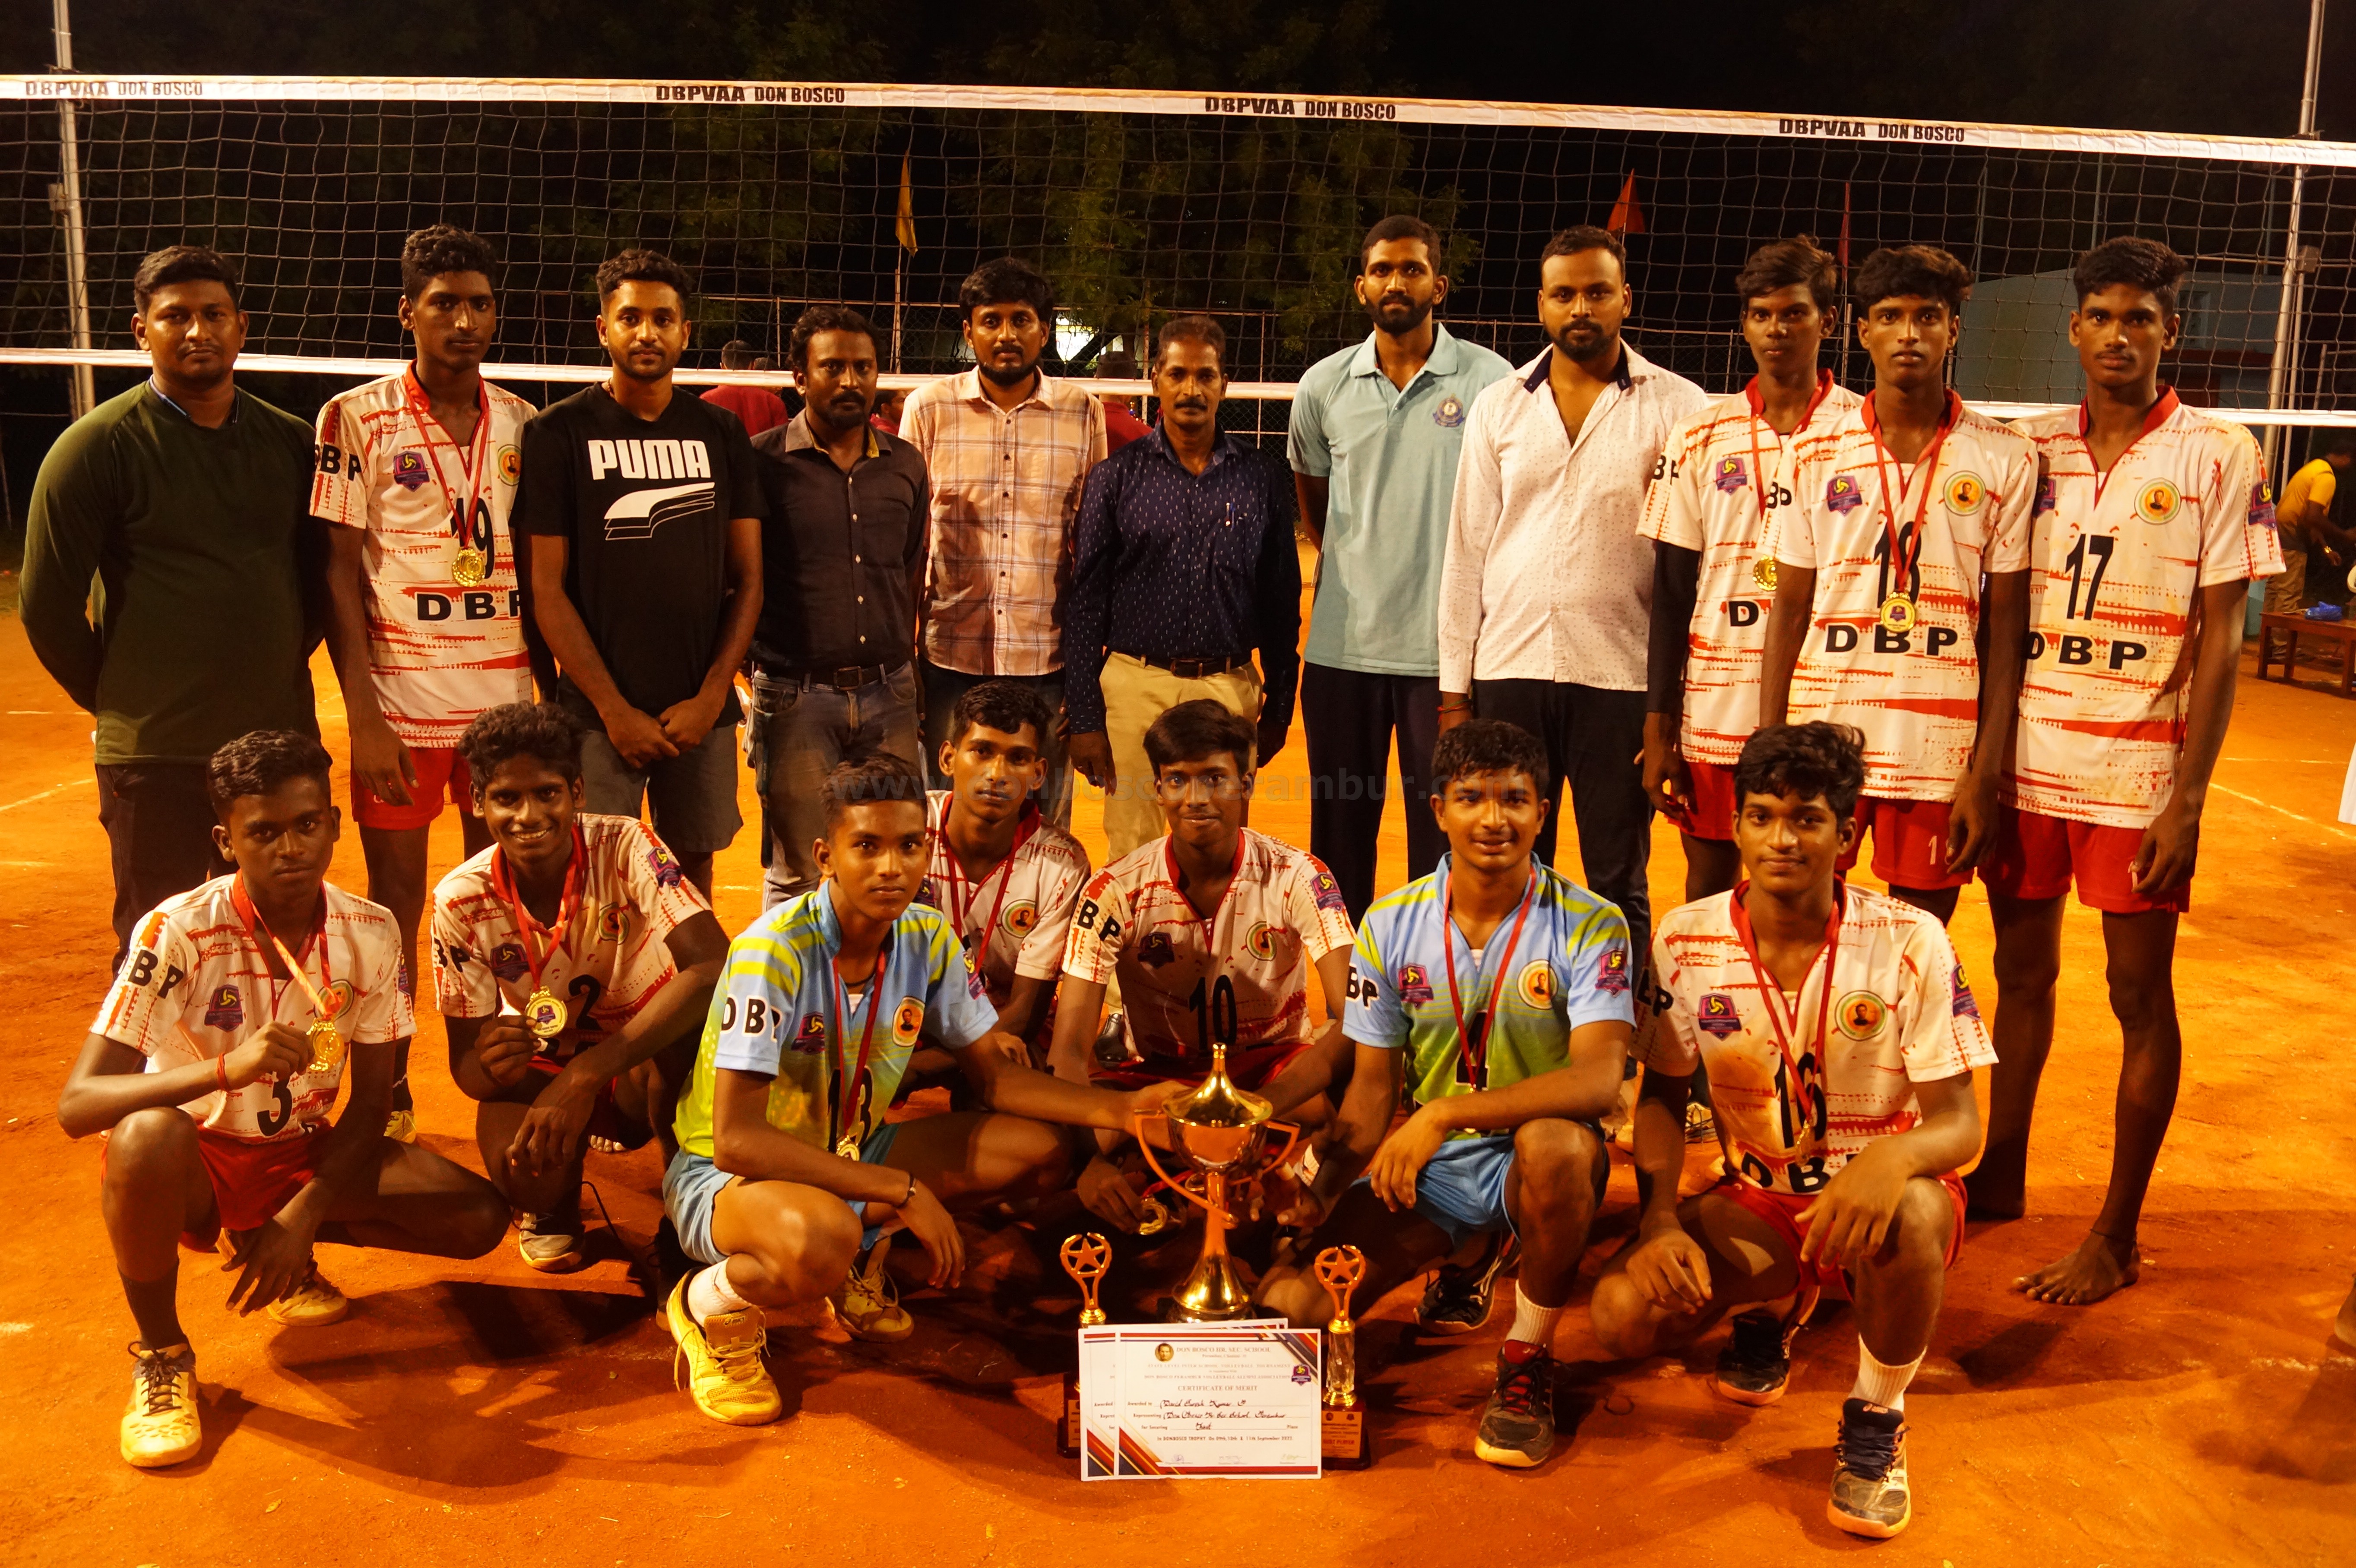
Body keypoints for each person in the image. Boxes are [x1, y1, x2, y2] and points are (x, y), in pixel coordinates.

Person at [659, 754, 1180, 1424]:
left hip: (847, 1153)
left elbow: (995, 1077)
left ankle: (852, 1255)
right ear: (825, 857)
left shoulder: (925, 936)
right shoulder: (773, 952)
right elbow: (737, 1141)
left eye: (909, 846)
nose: (891, 868)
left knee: (1040, 1150)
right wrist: (900, 1190)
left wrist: (1124, 1109)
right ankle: (708, 1305)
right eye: (867, 847)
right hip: (728, 1177)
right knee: (821, 1237)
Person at [1966, 237, 2285, 1305]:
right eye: (2100, 315)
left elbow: (2224, 632)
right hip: (2027, 763)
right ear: (2072, 329)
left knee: (2136, 992)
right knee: (2018, 975)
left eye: (2139, 317)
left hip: (2136, 769)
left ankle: (2114, 1233)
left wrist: (2187, 799)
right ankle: (2000, 1171)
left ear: (2169, 333)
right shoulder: (2028, 448)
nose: (2118, 334)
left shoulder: (2218, 452)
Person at [56, 730, 507, 1470]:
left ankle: (275, 1244)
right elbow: (79, 1104)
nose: (290, 848)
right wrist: (225, 1069)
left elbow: (372, 1103)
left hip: (299, 1151)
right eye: (264, 832)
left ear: (333, 824)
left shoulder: (371, 930)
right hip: (197, 1159)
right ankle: (163, 1354)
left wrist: (302, 1216)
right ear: (226, 841)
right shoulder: (177, 930)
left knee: (477, 1218)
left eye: (306, 825)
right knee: (144, 1137)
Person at [1590, 721, 1992, 1540]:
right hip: (1764, 1197)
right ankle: (1780, 1297)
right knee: (1620, 1316)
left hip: (1884, 1200)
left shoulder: (1910, 939)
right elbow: (1662, 1094)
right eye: (1763, 816)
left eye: (1807, 819)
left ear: (1846, 837)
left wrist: (1891, 1161)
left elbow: (1959, 1126)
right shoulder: (1685, 938)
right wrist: (1659, 1219)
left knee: (1914, 1211)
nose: (1782, 839)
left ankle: (1877, 1415)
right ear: (1736, 827)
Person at [1255, 718, 1634, 1471]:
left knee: (1554, 1147)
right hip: (1434, 1170)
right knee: (1293, 1309)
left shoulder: (1593, 923)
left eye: (1514, 799)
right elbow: (1371, 1096)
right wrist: (1319, 1196)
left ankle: (1527, 1355)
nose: (1494, 819)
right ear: (1438, 809)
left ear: (1543, 810)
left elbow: (1598, 1081)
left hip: (1539, 1153)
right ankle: (1474, 1245)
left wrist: (1444, 1112)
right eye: (1471, 799)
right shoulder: (1390, 923)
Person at [22, 245, 321, 972]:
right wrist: (119, 697)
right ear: (141, 331)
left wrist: (275, 665)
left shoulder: (292, 443)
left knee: (284, 941)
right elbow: (46, 605)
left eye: (214, 314)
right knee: (157, 949)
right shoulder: (95, 447)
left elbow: (319, 585)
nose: (197, 331)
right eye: (175, 316)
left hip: (278, 749)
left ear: (241, 326)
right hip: (156, 756)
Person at [313, 224, 538, 1144]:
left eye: (479, 303)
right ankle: (390, 1084)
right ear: (408, 312)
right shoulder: (354, 416)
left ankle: (511, 1073)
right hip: (402, 712)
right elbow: (336, 570)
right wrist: (362, 715)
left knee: (499, 902)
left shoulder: (524, 420)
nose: (464, 320)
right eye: (444, 303)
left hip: (503, 715)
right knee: (396, 905)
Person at [1438, 225, 1708, 967]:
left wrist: (1670, 703)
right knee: (1512, 868)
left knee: (1617, 876)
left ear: (1626, 298)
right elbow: (1465, 553)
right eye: (1564, 294)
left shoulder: (1679, 407)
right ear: (1542, 305)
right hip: (1509, 672)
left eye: (1596, 292)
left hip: (1619, 679)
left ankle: (1620, 1021)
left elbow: (1694, 565)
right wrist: (1455, 696)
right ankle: (1519, 1013)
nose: (1580, 307)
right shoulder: (1499, 406)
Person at [1760, 244, 2036, 923]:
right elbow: (1789, 609)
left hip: (1938, 751)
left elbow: (2005, 631)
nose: (1909, 334)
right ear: (1862, 331)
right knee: (1805, 930)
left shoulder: (2007, 455)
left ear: (1953, 329)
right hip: (1823, 736)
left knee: (1919, 943)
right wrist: (1769, 746)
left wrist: (1984, 771)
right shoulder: (1814, 451)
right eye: (1890, 317)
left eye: (1927, 317)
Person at [432, 702, 729, 1271]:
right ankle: (554, 1204)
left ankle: (683, 1208)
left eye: (547, 793)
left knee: (692, 1028)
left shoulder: (628, 845)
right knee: (526, 1176)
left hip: (638, 1059)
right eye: (506, 798)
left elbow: (713, 963)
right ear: (477, 802)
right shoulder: (459, 899)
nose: (528, 815)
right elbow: (466, 1069)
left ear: (577, 792)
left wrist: (585, 1076)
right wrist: (495, 1064)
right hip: (544, 1060)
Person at [1046, 700, 1356, 1235]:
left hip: (1270, 1072)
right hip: (1163, 1079)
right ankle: (1223, 1172)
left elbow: (1353, 1014)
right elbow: (1069, 1047)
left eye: (1214, 778)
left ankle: (1210, 1178)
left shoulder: (1299, 875)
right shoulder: (1113, 890)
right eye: (1177, 780)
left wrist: (1257, 1107)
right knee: (1074, 1137)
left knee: (1335, 1096)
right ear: (1158, 789)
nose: (1195, 798)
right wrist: (1086, 1161)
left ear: (1246, 784)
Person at [518, 249, 764, 901]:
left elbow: (749, 580)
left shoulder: (721, 432)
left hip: (699, 713)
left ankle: (686, 979)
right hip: (599, 716)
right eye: (630, 318)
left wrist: (712, 697)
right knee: (598, 879)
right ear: (604, 329)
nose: (646, 332)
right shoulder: (557, 432)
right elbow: (546, 589)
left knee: (693, 874)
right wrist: (613, 709)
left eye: (663, 319)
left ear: (685, 332)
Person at [1290, 214, 1513, 920]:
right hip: (1341, 653)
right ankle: (1348, 976)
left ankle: (1432, 972)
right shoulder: (1323, 386)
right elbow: (1317, 509)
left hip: (1443, 658)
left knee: (1442, 835)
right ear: (1361, 286)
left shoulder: (1491, 381)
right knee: (1339, 834)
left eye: (1412, 269)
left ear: (1438, 286)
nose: (1396, 281)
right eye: (1382, 270)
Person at [1643, 237, 1862, 902]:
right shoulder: (1699, 435)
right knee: (1709, 888)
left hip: (1827, 703)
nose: (1776, 329)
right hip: (1717, 704)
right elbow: (1671, 592)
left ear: (1828, 321)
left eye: (1794, 313)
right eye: (1762, 315)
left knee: (1817, 889)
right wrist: (1660, 726)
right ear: (1744, 324)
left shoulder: (1863, 432)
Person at [1064, 315, 1302, 860]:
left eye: (1205, 375)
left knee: (1217, 847)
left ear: (1224, 383)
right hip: (1134, 684)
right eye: (1177, 374)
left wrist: (1279, 708)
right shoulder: (1115, 477)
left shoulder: (1260, 478)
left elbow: (1280, 601)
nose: (1190, 389)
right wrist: (1086, 717)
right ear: (1155, 381)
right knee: (1133, 849)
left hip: (1227, 687)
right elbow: (1086, 603)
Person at [902, 257, 1112, 828]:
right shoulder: (928, 408)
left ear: (1044, 330)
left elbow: (1092, 549)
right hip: (950, 655)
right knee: (949, 818)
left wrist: (1084, 676)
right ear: (968, 330)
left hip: (1045, 658)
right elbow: (910, 542)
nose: (1006, 335)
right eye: (990, 320)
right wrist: (907, 656)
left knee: (1042, 826)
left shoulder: (1082, 413)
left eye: (1021, 320)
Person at [746, 305, 930, 907]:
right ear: (800, 377)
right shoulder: (759, 462)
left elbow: (907, 569)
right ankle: (792, 972)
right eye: (833, 367)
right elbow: (738, 576)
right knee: (801, 867)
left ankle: (881, 973)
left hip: (889, 693)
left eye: (863, 367)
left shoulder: (906, 464)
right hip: (795, 697)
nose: (851, 381)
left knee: (893, 862)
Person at [919, 680, 1092, 1053]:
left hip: (1005, 1041)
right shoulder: (911, 830)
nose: (997, 774)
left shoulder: (1063, 864)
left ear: (1039, 774)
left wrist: (923, 1068)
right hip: (906, 1026)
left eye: (1018, 758)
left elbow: (1024, 1017)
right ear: (948, 758)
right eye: (982, 751)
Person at [2265, 430, 2355, 645]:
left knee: (2274, 592)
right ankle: (2281, 648)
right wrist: (2345, 535)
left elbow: (2309, 520)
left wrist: (2326, 550)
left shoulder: (2312, 468)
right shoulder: (2326, 477)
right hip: (2292, 538)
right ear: (2347, 458)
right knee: (2288, 596)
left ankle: (2268, 645)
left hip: (2277, 537)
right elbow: (2313, 516)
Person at [702, 339, 790, 440]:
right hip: (761, 451)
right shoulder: (774, 402)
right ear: (753, 366)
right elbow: (782, 443)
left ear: (723, 367)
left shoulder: (706, 401)